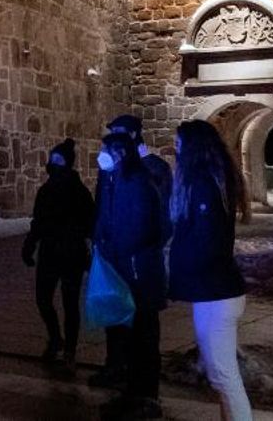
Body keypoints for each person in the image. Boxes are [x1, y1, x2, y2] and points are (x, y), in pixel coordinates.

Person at [170, 120, 254, 421]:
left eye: (180, 143)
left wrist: (178, 278)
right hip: (216, 290)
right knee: (222, 376)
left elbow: (205, 242)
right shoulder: (214, 181)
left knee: (225, 378)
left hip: (215, 293)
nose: (176, 149)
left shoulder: (204, 185)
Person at [91, 114, 172, 390]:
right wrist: (100, 241)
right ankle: (117, 369)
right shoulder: (111, 174)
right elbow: (103, 208)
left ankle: (142, 391)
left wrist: (138, 254)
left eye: (119, 133)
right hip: (115, 262)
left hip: (137, 265)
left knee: (143, 330)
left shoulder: (151, 172)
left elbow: (159, 222)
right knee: (116, 320)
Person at [22, 138, 95, 369]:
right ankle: (55, 338)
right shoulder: (46, 190)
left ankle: (70, 351)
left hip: (71, 253)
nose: (53, 164)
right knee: (43, 300)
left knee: (70, 303)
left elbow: (89, 222)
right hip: (49, 253)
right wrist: (30, 244)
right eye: (52, 159)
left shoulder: (79, 192)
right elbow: (39, 221)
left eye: (58, 160)